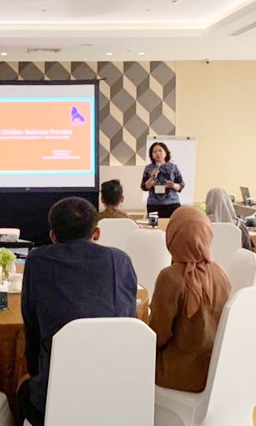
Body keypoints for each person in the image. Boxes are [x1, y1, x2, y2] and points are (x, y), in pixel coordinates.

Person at [18, 197, 139, 426]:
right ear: (97, 233)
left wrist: (32, 372)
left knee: (22, 392)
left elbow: (31, 325)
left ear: (53, 236)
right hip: (117, 395)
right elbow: (129, 320)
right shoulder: (120, 260)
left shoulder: (37, 261)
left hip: (55, 401)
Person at [148, 206, 232, 393]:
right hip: (214, 370)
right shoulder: (220, 273)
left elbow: (158, 334)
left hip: (179, 373)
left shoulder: (170, 278)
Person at [141, 142, 185, 218]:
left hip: (172, 203)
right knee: (154, 225)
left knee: (172, 224)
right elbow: (144, 187)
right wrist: (152, 178)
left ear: (166, 153)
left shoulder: (173, 167)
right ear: (151, 155)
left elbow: (181, 185)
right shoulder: (148, 168)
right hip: (153, 204)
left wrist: (173, 185)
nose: (158, 153)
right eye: (155, 151)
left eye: (160, 150)